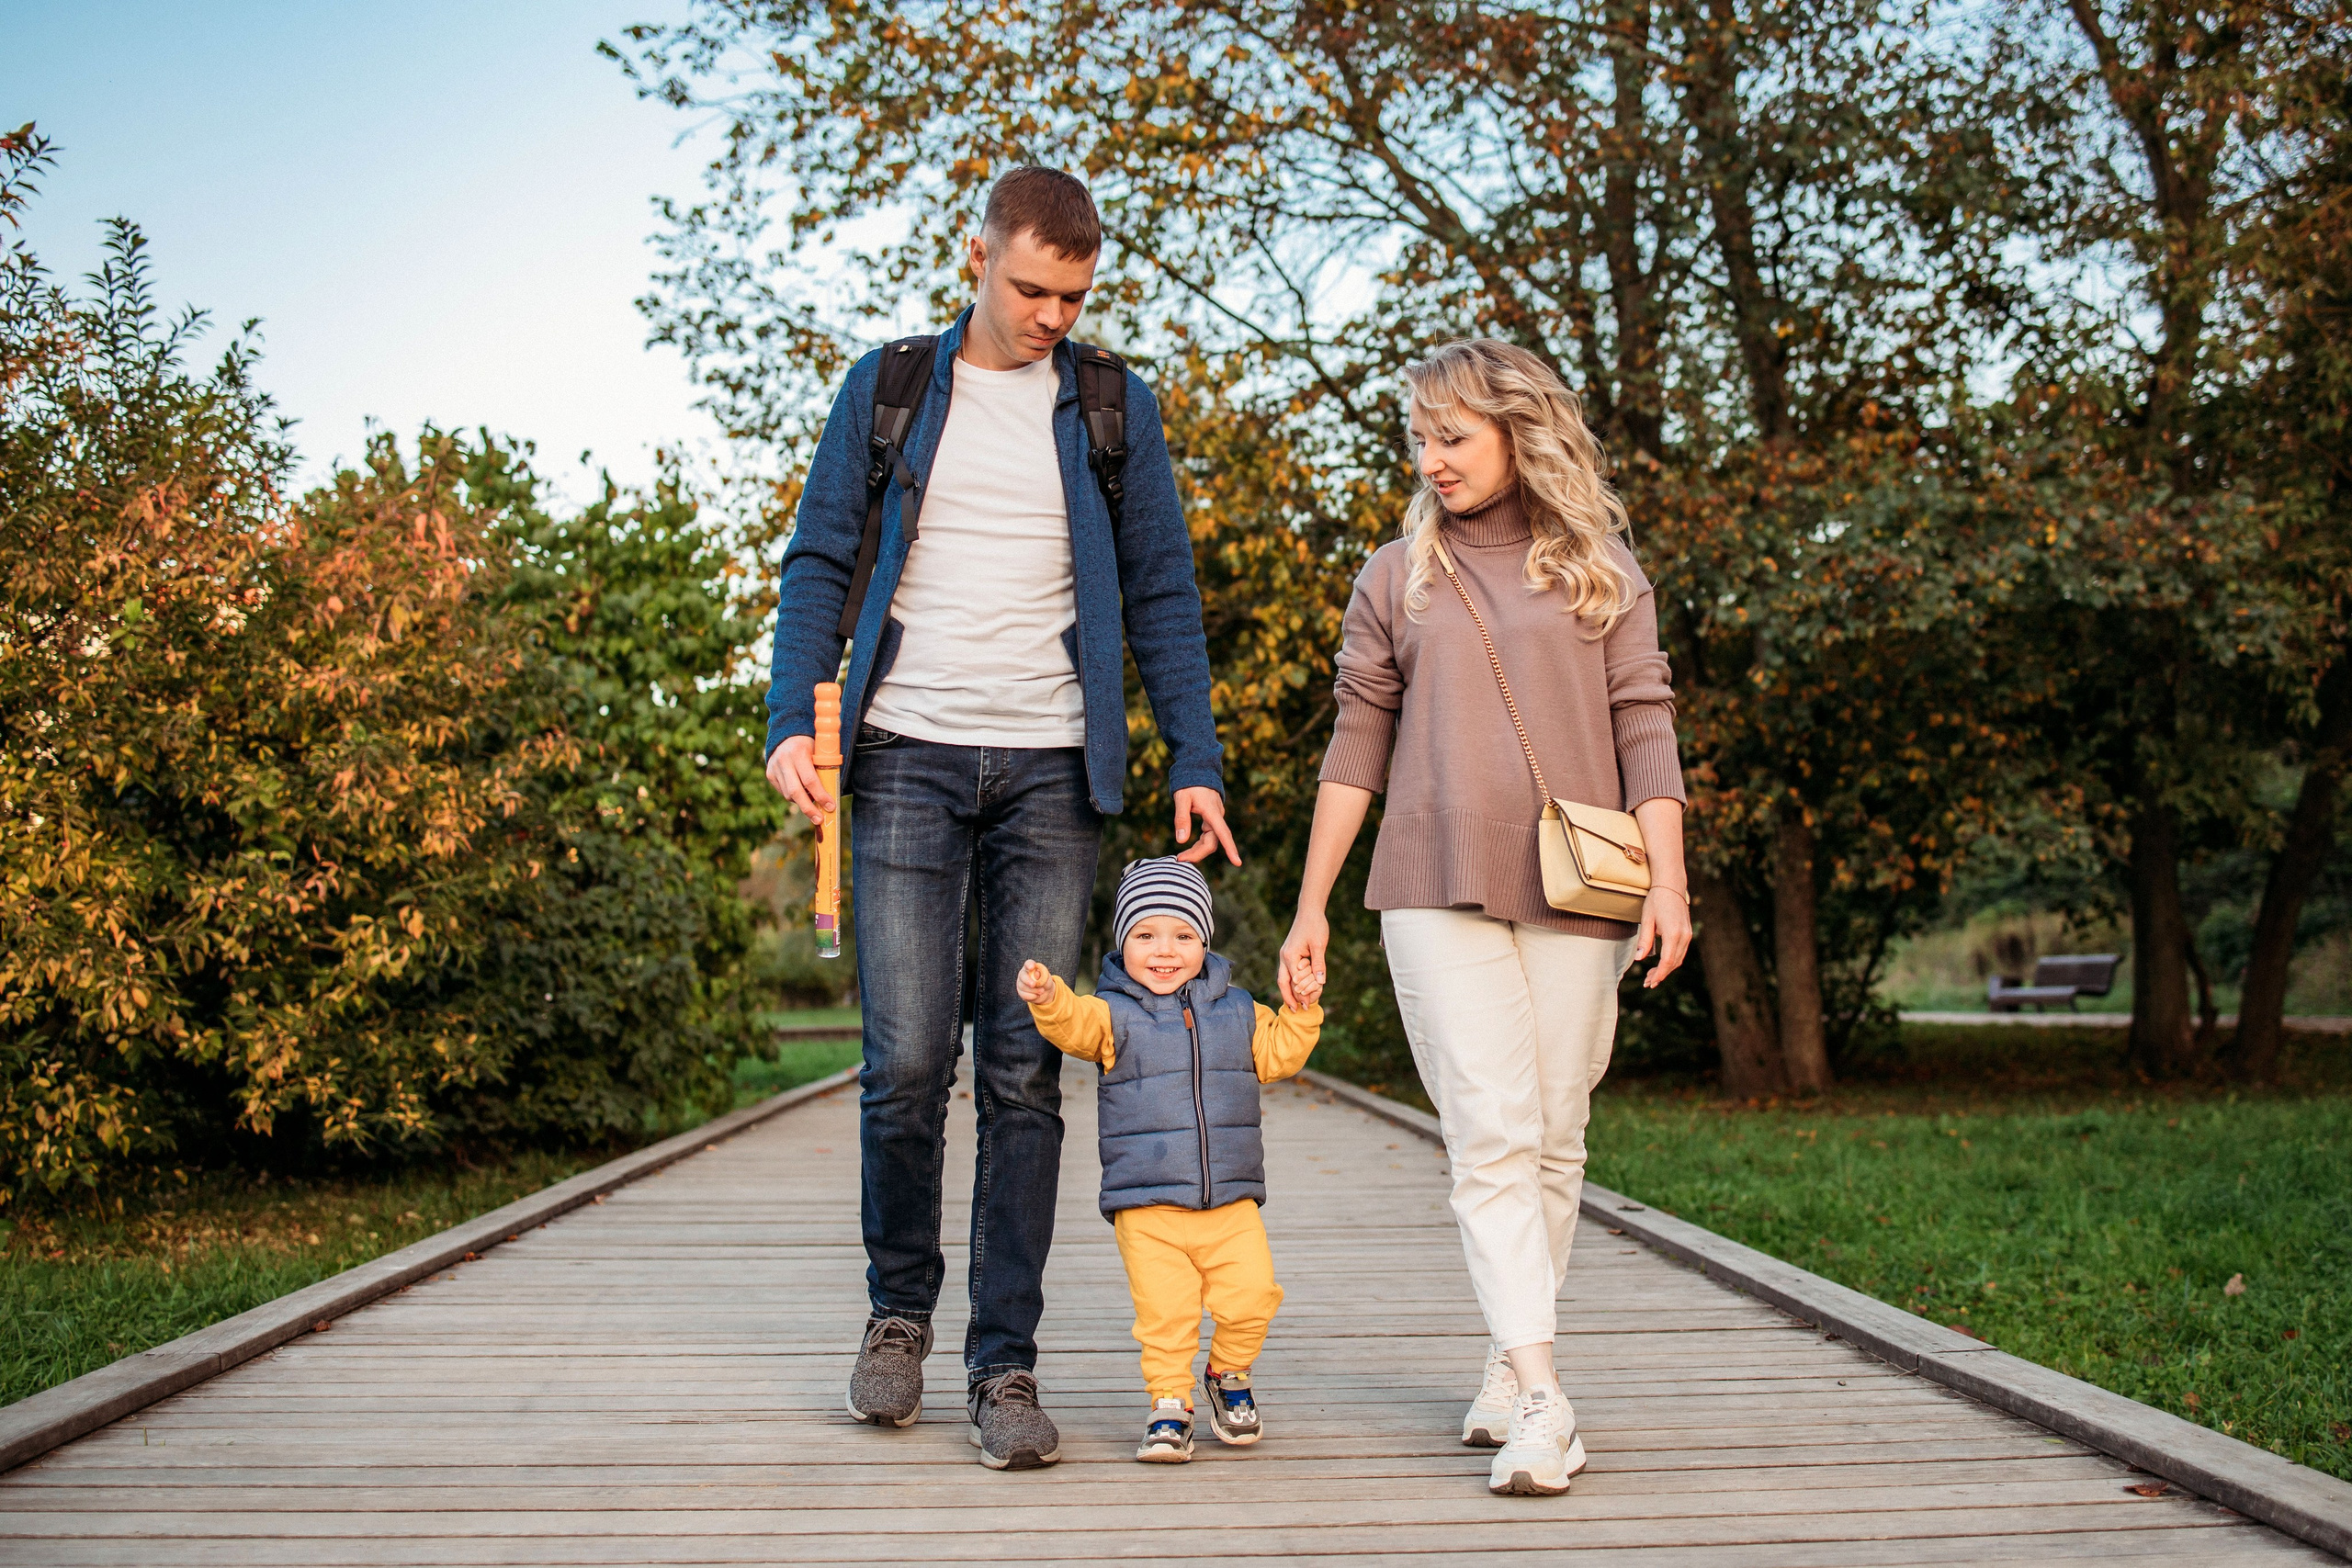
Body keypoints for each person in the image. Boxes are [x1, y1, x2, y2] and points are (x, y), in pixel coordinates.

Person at [762, 167, 1237, 1472]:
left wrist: (1191, 751)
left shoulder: (1109, 407)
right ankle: (898, 1314)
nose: (1049, 313)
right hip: (905, 749)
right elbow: (818, 559)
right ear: (976, 255)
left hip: (1050, 770)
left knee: (1024, 1070)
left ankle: (1004, 1359)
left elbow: (1163, 595)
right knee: (908, 1059)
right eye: (1031, 287)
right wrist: (789, 726)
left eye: (1073, 295)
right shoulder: (892, 387)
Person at [1276, 339, 1694, 1497]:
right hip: (1428, 878)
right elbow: (1356, 745)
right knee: (1489, 1133)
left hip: (1579, 885)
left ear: (1520, 432)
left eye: (1451, 437)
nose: (1431, 459)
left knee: (1555, 1133)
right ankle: (1546, 1396)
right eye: (1419, 438)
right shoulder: (1394, 576)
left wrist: (1668, 881)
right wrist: (1312, 904)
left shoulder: (1602, 571)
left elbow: (1644, 727)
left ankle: (1509, 1367)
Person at [1016, 858, 1323, 1463]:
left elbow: (1280, 1053)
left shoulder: (1239, 1010)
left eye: (1183, 935)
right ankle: (1169, 1403)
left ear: (1204, 941)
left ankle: (1228, 1372)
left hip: (1229, 1201)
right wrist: (1050, 996)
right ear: (1122, 941)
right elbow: (1072, 1025)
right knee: (1167, 1313)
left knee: (1253, 1295)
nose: (1165, 950)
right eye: (1146, 935)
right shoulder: (1113, 1015)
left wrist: (1302, 1010)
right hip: (1148, 1203)